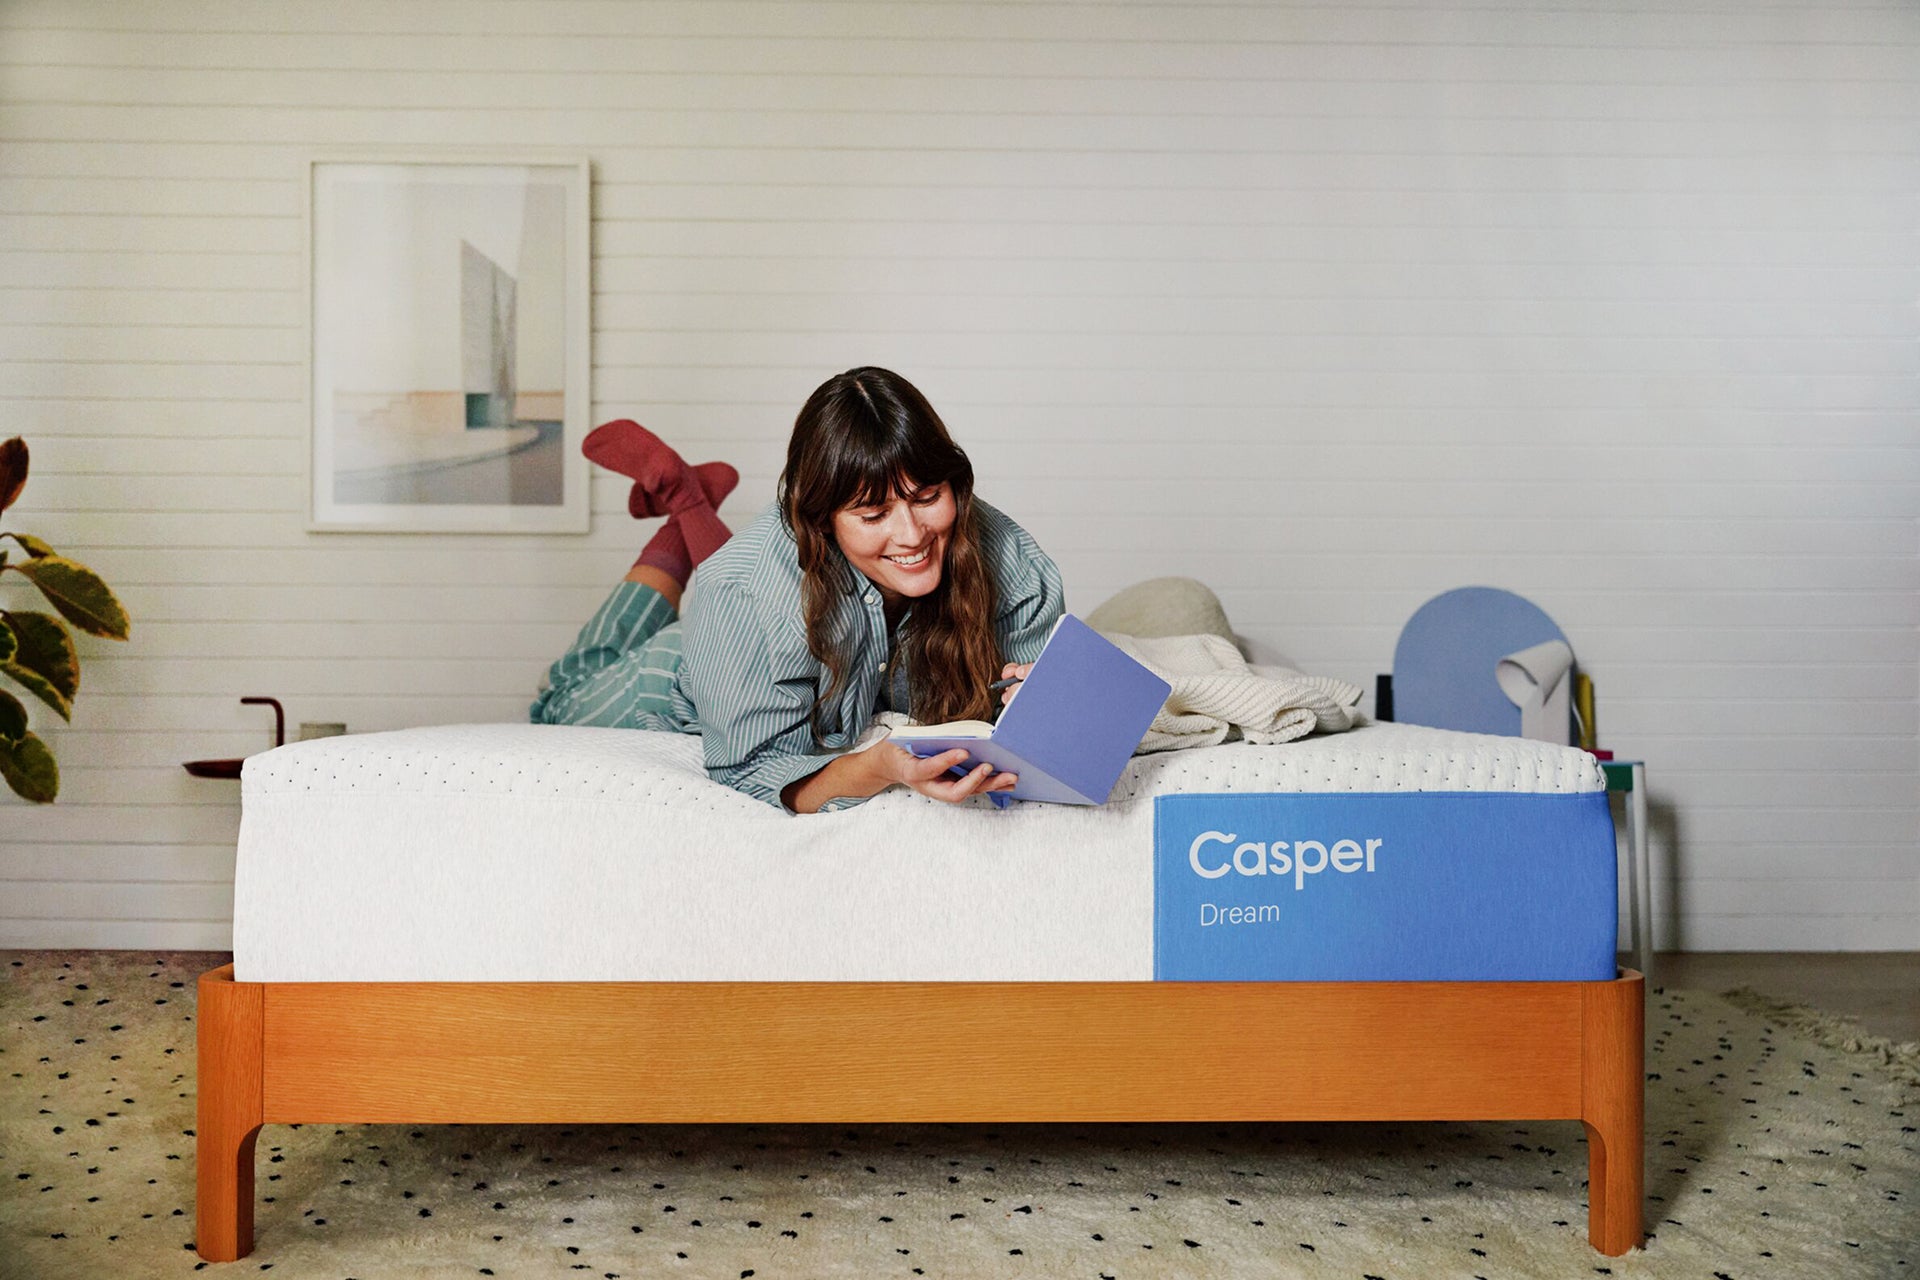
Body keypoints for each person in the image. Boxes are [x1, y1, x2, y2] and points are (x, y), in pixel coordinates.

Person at [532, 367, 1065, 814]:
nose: (912, 535)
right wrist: (875, 768)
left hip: (754, 612)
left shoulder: (1011, 560)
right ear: (821, 521)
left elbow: (1046, 732)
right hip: (683, 672)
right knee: (560, 696)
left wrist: (1046, 705)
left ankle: (690, 511)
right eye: (873, 514)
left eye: (927, 497)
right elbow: (755, 770)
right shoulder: (742, 592)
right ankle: (686, 507)